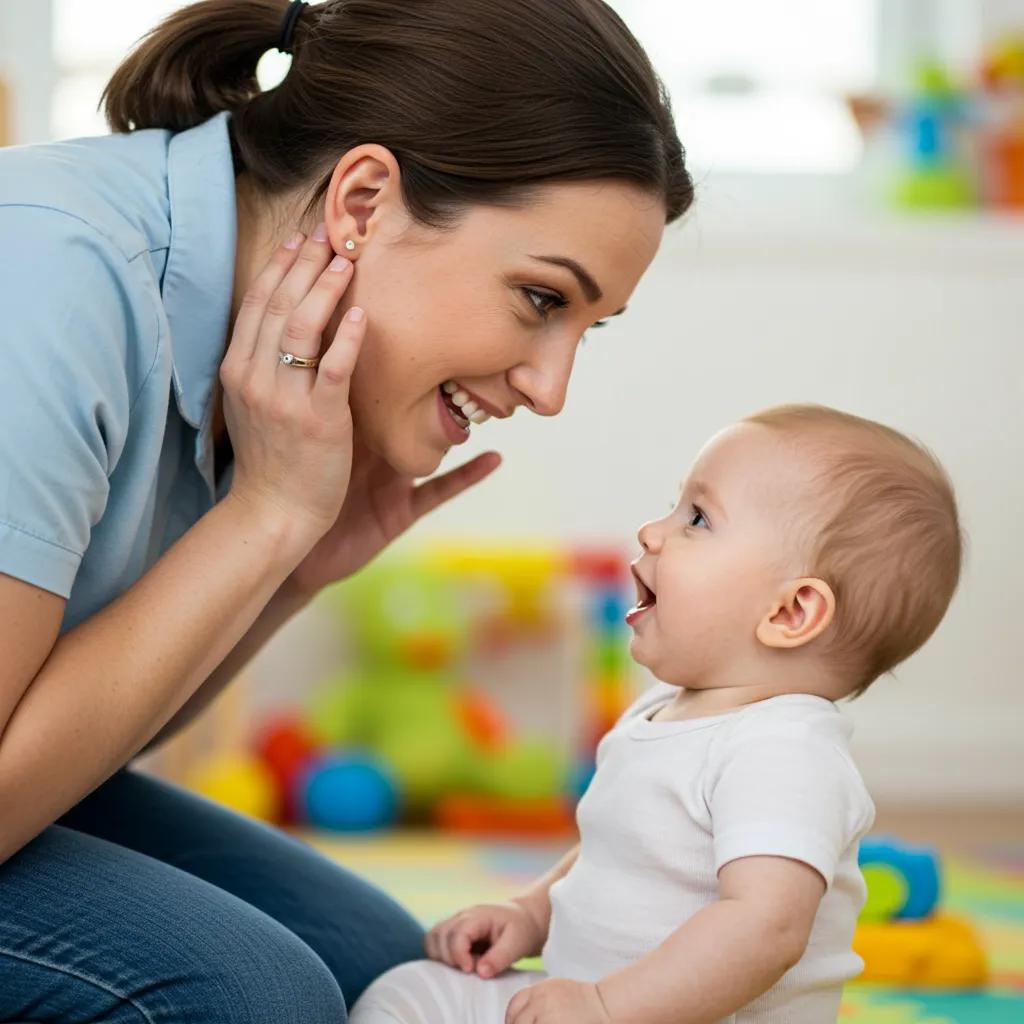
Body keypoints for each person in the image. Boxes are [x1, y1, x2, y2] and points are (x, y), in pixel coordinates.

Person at [0, 0, 693, 1020]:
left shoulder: (256, 331)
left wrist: (293, 568)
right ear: (362, 202)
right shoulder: (52, 278)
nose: (551, 389)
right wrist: (264, 516)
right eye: (543, 299)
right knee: (256, 995)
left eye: (590, 327)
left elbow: (93, 738)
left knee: (383, 964)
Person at [350, 404, 963, 1024]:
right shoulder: (663, 710)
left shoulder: (784, 751)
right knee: (410, 992)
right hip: (582, 999)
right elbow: (615, 852)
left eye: (697, 518)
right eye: (676, 506)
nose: (651, 531)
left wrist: (607, 1007)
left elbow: (767, 928)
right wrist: (531, 914)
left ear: (790, 613)